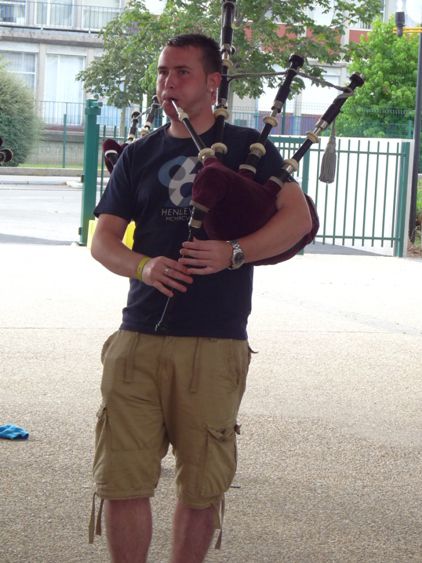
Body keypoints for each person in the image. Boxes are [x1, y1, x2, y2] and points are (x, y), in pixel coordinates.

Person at [89, 33, 312, 563]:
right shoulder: (139, 154)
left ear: (213, 82)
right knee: (123, 480)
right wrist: (144, 265)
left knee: (201, 485)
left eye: (181, 72)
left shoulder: (245, 149)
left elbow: (299, 220)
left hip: (214, 342)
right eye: (163, 72)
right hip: (138, 337)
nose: (167, 83)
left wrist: (233, 252)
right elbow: (102, 240)